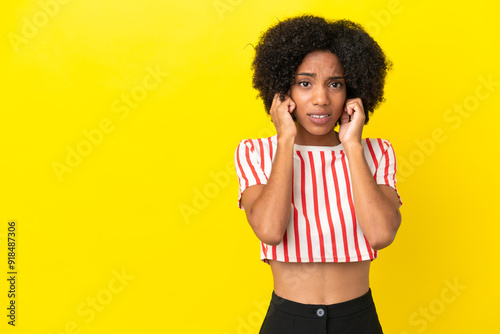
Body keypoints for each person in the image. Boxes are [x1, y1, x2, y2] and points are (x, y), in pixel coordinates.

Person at [234, 15, 402, 333]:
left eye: (335, 84)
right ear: (284, 90)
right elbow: (269, 230)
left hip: (358, 320)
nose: (321, 98)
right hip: (288, 320)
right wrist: (285, 139)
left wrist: (351, 144)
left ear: (352, 89)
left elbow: (381, 235)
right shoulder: (255, 152)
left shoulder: (377, 152)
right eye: (305, 83)